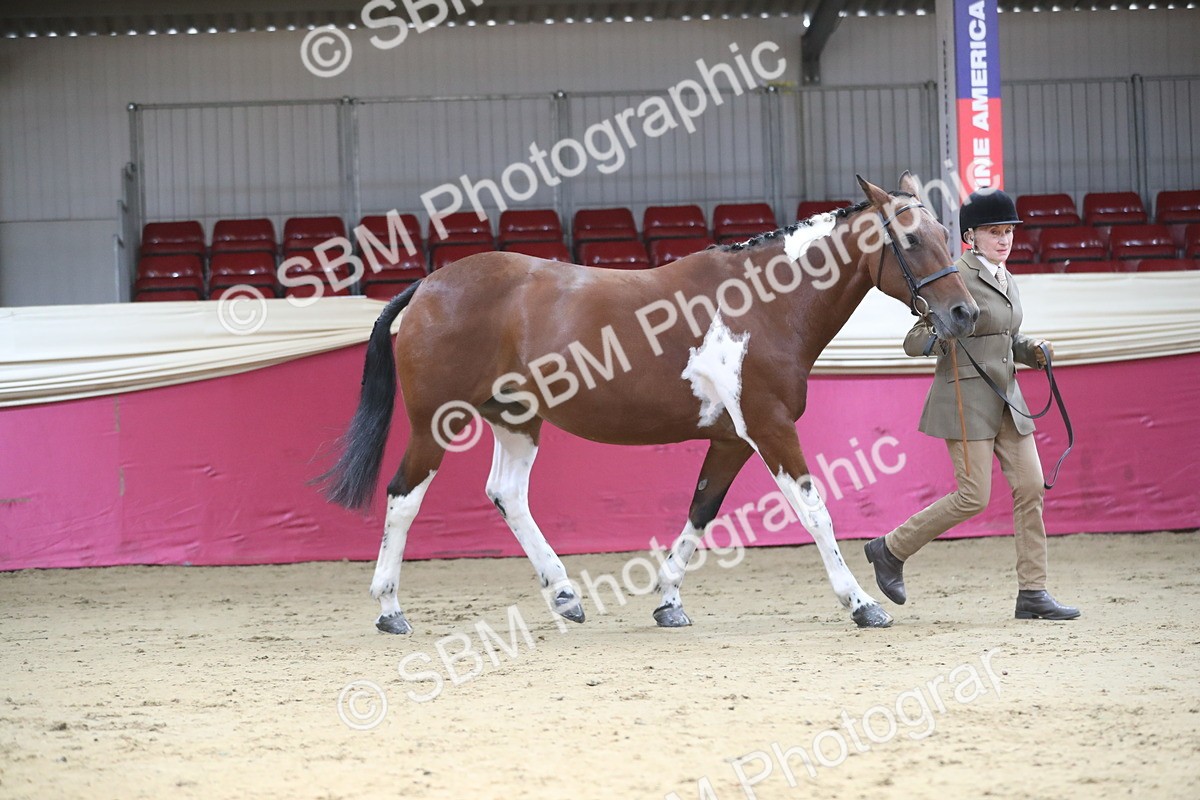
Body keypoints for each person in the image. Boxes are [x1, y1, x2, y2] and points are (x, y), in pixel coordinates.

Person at [864, 188, 1080, 620]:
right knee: (972, 497)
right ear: (970, 236)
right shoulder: (954, 274)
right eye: (994, 232)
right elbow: (913, 341)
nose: (1004, 240)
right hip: (965, 398)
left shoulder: (1005, 276)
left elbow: (1002, 340)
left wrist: (1030, 349)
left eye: (1008, 232)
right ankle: (890, 548)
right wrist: (937, 333)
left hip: (1007, 401)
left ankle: (1033, 592)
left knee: (1031, 488)